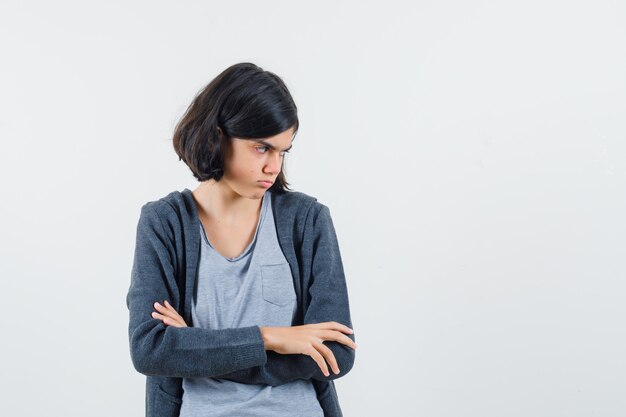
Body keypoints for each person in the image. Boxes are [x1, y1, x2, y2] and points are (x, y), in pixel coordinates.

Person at [126, 62, 357, 417]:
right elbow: (151, 350)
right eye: (262, 148)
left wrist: (197, 346)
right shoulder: (164, 223)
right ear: (218, 136)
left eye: (284, 151)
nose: (274, 167)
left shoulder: (307, 221)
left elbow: (336, 354)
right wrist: (271, 337)